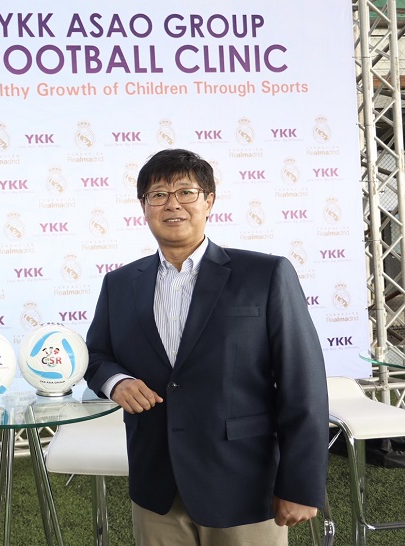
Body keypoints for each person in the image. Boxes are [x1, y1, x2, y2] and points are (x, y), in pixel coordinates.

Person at [84, 148, 328, 546]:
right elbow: (96, 356)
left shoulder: (265, 274)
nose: (172, 204)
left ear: (209, 201)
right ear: (143, 207)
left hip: (243, 483)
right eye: (158, 195)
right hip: (157, 486)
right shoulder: (120, 284)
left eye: (186, 192)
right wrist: (117, 382)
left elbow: (303, 382)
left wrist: (302, 484)